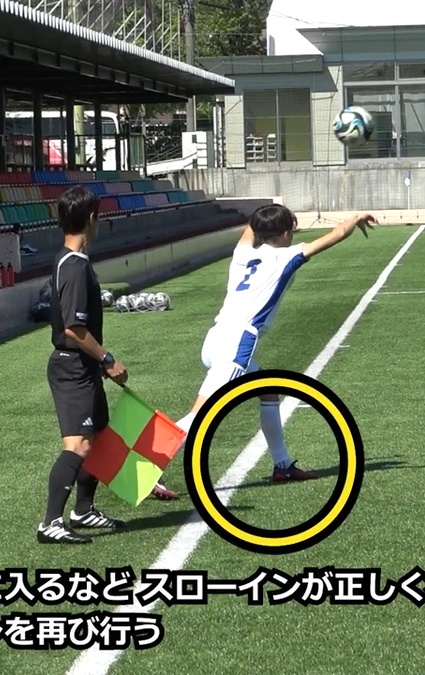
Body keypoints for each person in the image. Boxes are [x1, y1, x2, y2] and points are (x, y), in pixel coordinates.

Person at [169, 204, 375, 485]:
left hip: (215, 338)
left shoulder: (243, 254)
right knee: (200, 415)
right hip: (236, 345)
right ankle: (147, 464)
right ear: (286, 232)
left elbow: (250, 229)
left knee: (268, 392)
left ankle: (283, 465)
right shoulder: (287, 255)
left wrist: (271, 216)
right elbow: (337, 234)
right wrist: (356, 217)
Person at [38, 185, 129, 545]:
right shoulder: (74, 266)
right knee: (77, 445)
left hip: (84, 366)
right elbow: (74, 329)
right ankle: (50, 523)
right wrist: (107, 358)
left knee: (99, 438)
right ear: (92, 219)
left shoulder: (72, 259)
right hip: (73, 366)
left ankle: (83, 509)